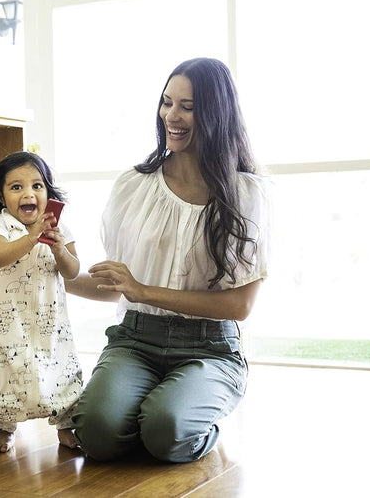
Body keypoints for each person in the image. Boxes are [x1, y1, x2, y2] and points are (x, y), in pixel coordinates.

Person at [66, 57, 271, 463]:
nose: (170, 116)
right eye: (166, 102)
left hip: (209, 347)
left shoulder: (247, 195)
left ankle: (176, 417)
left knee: (167, 432)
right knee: (95, 433)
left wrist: (143, 290)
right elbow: (115, 288)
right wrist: (51, 269)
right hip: (136, 340)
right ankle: (152, 414)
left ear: (215, 114)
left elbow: (239, 306)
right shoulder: (133, 186)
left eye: (187, 107)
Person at [0, 151, 83, 453]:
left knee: (59, 366)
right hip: (9, 320)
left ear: (48, 191)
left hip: (51, 321)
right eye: (16, 187)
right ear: (1, 196)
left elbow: (73, 271)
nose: (29, 194)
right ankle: (4, 429)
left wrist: (60, 248)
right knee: (5, 370)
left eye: (37, 186)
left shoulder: (59, 228)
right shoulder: (0, 225)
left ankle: (65, 425)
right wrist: (32, 237)